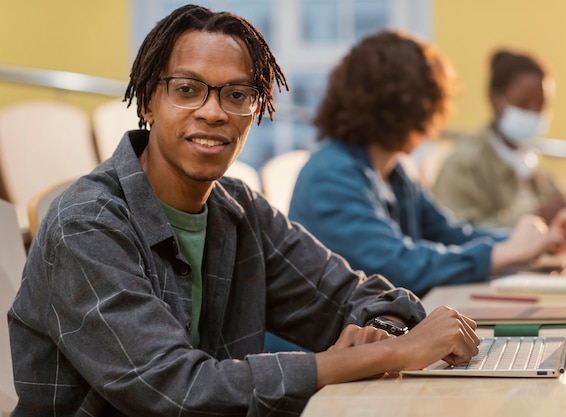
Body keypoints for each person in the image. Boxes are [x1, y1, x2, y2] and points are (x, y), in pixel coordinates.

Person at [8, 5, 482, 417]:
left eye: (237, 95)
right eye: (189, 89)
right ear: (149, 101)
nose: (214, 112)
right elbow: (177, 391)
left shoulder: (239, 208)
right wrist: (387, 355)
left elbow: (351, 295)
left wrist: (380, 334)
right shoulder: (86, 224)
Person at [288, 31, 566, 299]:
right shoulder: (330, 176)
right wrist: (504, 252)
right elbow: (399, 267)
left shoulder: (395, 173)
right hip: (326, 352)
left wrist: (541, 239)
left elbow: (451, 234)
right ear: (413, 109)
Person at [431, 49, 566, 227]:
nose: (533, 112)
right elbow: (459, 233)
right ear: (496, 100)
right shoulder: (464, 165)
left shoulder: (530, 160)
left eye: (541, 105)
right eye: (524, 103)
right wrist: (536, 217)